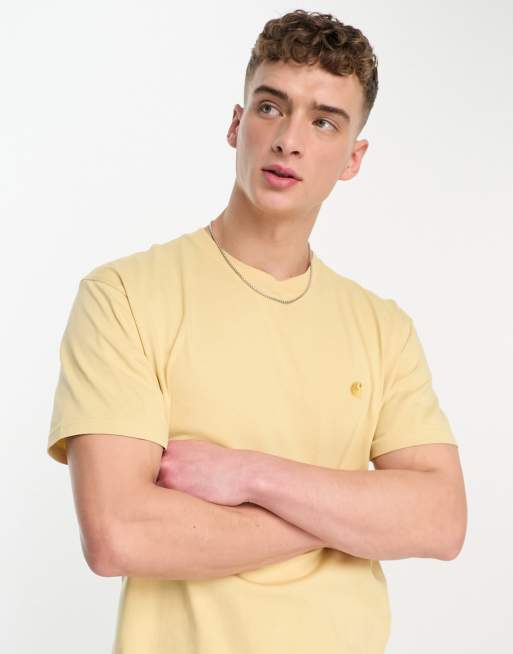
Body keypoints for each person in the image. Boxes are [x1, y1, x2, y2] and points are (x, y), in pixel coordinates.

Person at [47, 9, 467, 654]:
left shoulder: (383, 328)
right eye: (271, 108)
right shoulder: (124, 295)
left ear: (353, 158)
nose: (289, 140)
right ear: (236, 125)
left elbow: (441, 520)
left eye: (323, 121)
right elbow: (118, 533)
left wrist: (251, 476)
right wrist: (348, 520)